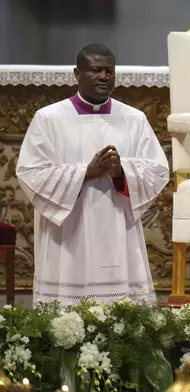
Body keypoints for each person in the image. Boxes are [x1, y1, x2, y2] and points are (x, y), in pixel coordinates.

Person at [16, 44, 169, 306]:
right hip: (68, 232)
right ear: (77, 74)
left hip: (117, 227)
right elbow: (30, 173)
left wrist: (121, 172)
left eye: (110, 71)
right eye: (96, 70)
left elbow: (157, 170)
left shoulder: (134, 119)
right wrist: (85, 172)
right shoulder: (49, 119)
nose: (104, 77)